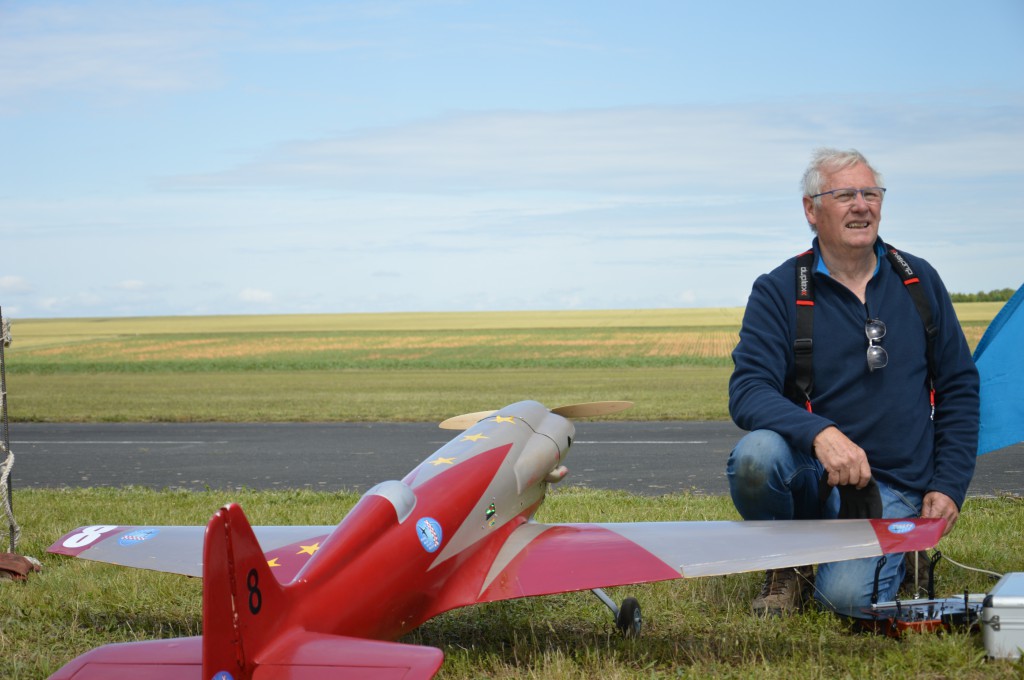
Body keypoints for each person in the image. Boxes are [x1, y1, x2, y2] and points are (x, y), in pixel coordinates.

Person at [727, 148, 980, 619]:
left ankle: (899, 555)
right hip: (812, 473)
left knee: (844, 602)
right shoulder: (779, 288)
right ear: (811, 210)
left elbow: (959, 388)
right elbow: (747, 391)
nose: (862, 205)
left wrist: (948, 485)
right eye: (845, 195)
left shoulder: (919, 282)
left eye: (871, 193)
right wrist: (821, 435)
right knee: (756, 457)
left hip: (894, 481)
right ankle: (789, 563)